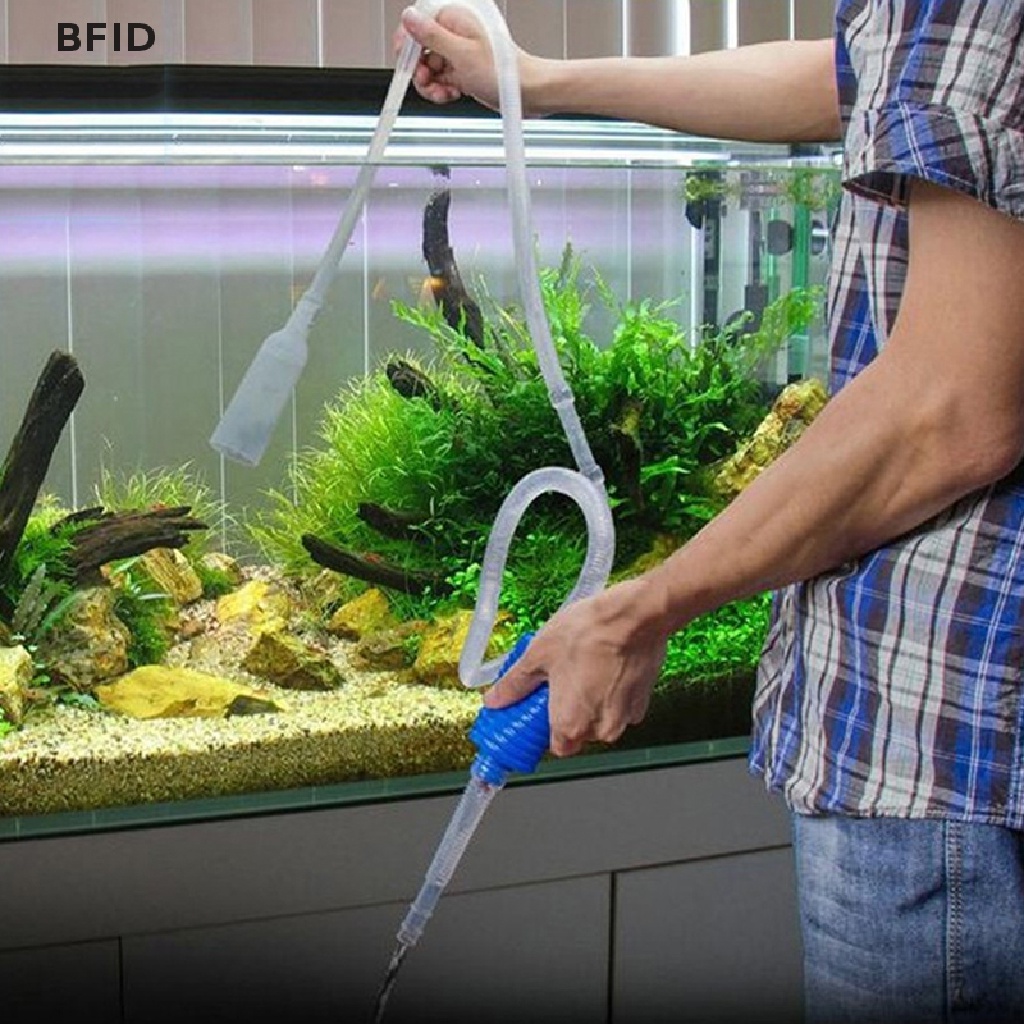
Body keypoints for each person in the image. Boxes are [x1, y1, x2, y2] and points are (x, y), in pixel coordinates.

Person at [398, 2, 1024, 1021]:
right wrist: (537, 80)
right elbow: (849, 77)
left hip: (947, 727)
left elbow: (947, 412)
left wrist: (642, 611)